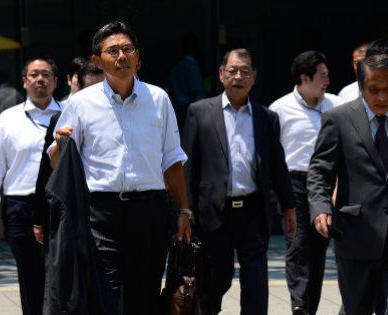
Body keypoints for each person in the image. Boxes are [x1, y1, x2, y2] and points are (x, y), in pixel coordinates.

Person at [49, 21, 192, 314]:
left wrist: (184, 211)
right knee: (108, 295)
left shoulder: (159, 99)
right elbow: (60, 163)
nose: (121, 57)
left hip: (150, 211)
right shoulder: (80, 104)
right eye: (112, 51)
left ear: (138, 57)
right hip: (101, 212)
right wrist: (58, 146)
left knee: (146, 296)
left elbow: (172, 160)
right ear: (97, 60)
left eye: (128, 49)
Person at [307, 54, 388, 314]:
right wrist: (321, 206)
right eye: (374, 90)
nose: (382, 97)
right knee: (356, 307)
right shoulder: (339, 119)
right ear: (360, 87)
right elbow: (320, 170)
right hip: (355, 234)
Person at [182, 48, 296, 315]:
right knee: (215, 279)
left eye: (245, 71)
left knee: (256, 281)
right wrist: (184, 210)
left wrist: (289, 206)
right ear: (221, 75)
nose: (238, 76)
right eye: (232, 70)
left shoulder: (266, 118)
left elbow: (277, 165)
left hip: (253, 211)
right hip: (213, 212)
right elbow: (188, 166)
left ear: (254, 77)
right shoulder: (199, 112)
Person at [0, 56, 62, 315]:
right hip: (19, 205)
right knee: (30, 273)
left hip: (60, 204)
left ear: (55, 81)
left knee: (60, 272)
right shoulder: (8, 118)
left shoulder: (69, 114)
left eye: (46, 74)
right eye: (34, 75)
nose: (40, 80)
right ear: (24, 81)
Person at [269, 50, 341, 315]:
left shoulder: (334, 106)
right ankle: (300, 305)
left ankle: (309, 306)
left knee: (319, 248)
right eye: (322, 76)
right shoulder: (280, 109)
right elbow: (273, 155)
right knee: (297, 244)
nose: (327, 81)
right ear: (304, 77)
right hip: (294, 183)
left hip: (325, 184)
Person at [33, 58, 104, 241]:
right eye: (90, 90)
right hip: (74, 210)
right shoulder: (61, 119)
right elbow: (47, 170)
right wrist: (40, 218)